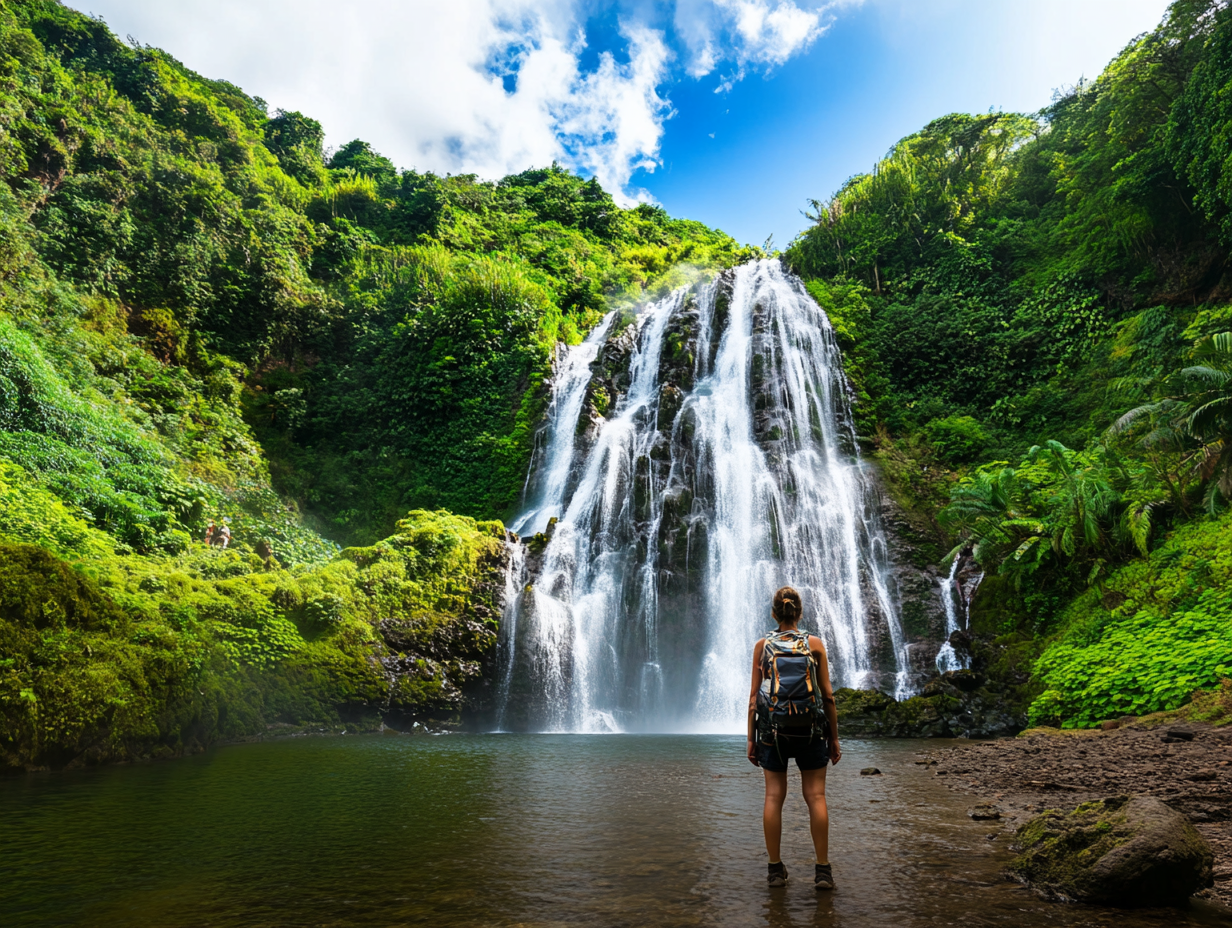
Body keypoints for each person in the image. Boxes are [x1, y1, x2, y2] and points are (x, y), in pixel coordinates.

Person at [747, 586, 842, 891]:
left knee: (773, 797)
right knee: (816, 797)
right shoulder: (814, 644)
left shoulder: (762, 646)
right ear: (800, 613)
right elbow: (827, 696)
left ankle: (775, 871)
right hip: (811, 729)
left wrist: (751, 739)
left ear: (773, 613)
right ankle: (823, 871)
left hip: (772, 732)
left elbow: (753, 699)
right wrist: (834, 738)